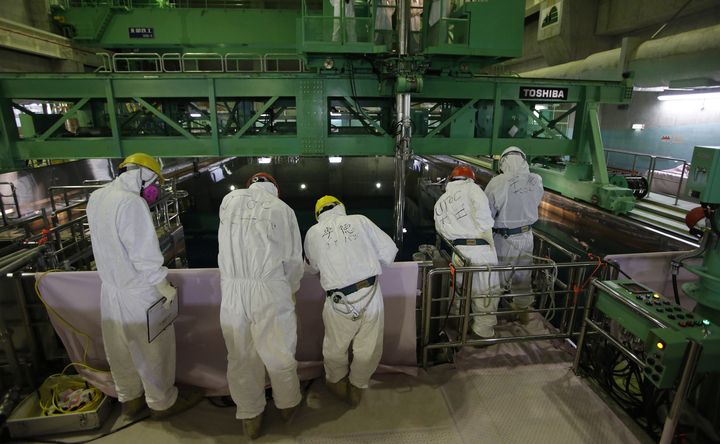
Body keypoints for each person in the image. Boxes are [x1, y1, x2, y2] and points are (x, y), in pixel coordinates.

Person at [86, 152, 202, 421]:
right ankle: (162, 403)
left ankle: (130, 399)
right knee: (153, 350)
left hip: (110, 290)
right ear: (145, 176)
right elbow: (143, 253)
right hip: (138, 292)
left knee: (119, 350)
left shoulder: (97, 197)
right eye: (155, 183)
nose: (155, 190)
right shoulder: (131, 203)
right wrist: (162, 285)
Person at [218, 172, 304, 439]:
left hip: (232, 290)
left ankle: (250, 416)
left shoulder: (228, 202)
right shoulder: (282, 209)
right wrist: (290, 289)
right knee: (279, 352)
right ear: (274, 189)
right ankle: (288, 407)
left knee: (240, 356)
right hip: (269, 288)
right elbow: (292, 260)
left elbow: (222, 248)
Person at [304, 196, 397, 406]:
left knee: (335, 347)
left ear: (318, 215)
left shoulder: (313, 233)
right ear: (341, 207)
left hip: (338, 300)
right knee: (369, 346)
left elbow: (311, 268)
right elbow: (389, 252)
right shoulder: (361, 220)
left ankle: (336, 383)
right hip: (370, 294)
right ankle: (358, 385)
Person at [434, 165, 500, 339]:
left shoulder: (441, 201)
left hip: (460, 251)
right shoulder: (474, 190)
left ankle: (457, 321)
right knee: (486, 292)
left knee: (459, 289)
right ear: (470, 179)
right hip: (482, 250)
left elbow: (441, 231)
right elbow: (485, 219)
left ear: (451, 180)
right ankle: (482, 333)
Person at [485, 146, 544, 323]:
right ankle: (523, 311)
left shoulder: (498, 182)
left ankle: (488, 319)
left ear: (503, 162)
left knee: (497, 279)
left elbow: (487, 212)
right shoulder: (537, 180)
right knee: (524, 276)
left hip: (505, 238)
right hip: (527, 237)